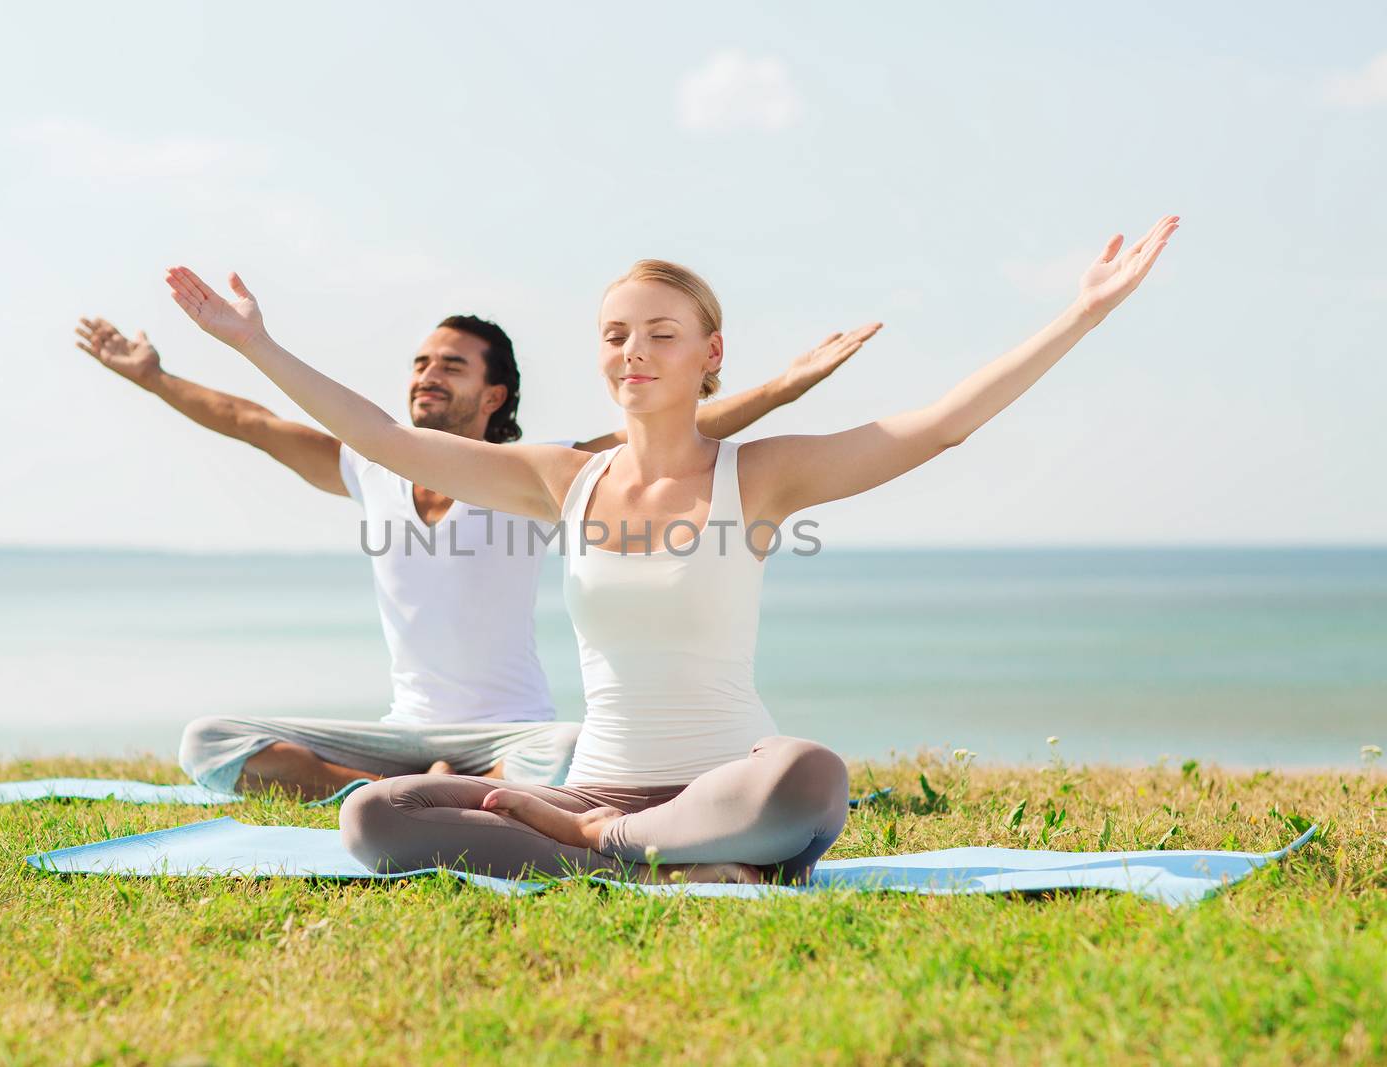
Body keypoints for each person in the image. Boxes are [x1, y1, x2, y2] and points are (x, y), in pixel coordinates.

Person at [163, 213, 1176, 882]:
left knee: (808, 775)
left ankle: (613, 848)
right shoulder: (563, 477)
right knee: (375, 818)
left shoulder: (761, 475)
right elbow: (381, 440)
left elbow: (943, 422)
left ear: (709, 354)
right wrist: (254, 343)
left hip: (718, 776)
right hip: (590, 778)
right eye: (614, 334)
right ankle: (654, 853)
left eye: (658, 333)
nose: (632, 353)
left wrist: (1080, 313)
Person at [74, 308, 878, 800]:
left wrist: (785, 385)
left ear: (494, 396)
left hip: (513, 738)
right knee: (207, 739)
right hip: (399, 737)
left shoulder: (542, 477)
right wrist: (154, 378)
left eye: (450, 365)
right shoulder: (369, 465)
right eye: (421, 362)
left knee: (572, 751)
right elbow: (246, 418)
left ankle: (433, 795)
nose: (426, 375)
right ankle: (397, 793)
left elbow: (674, 432)